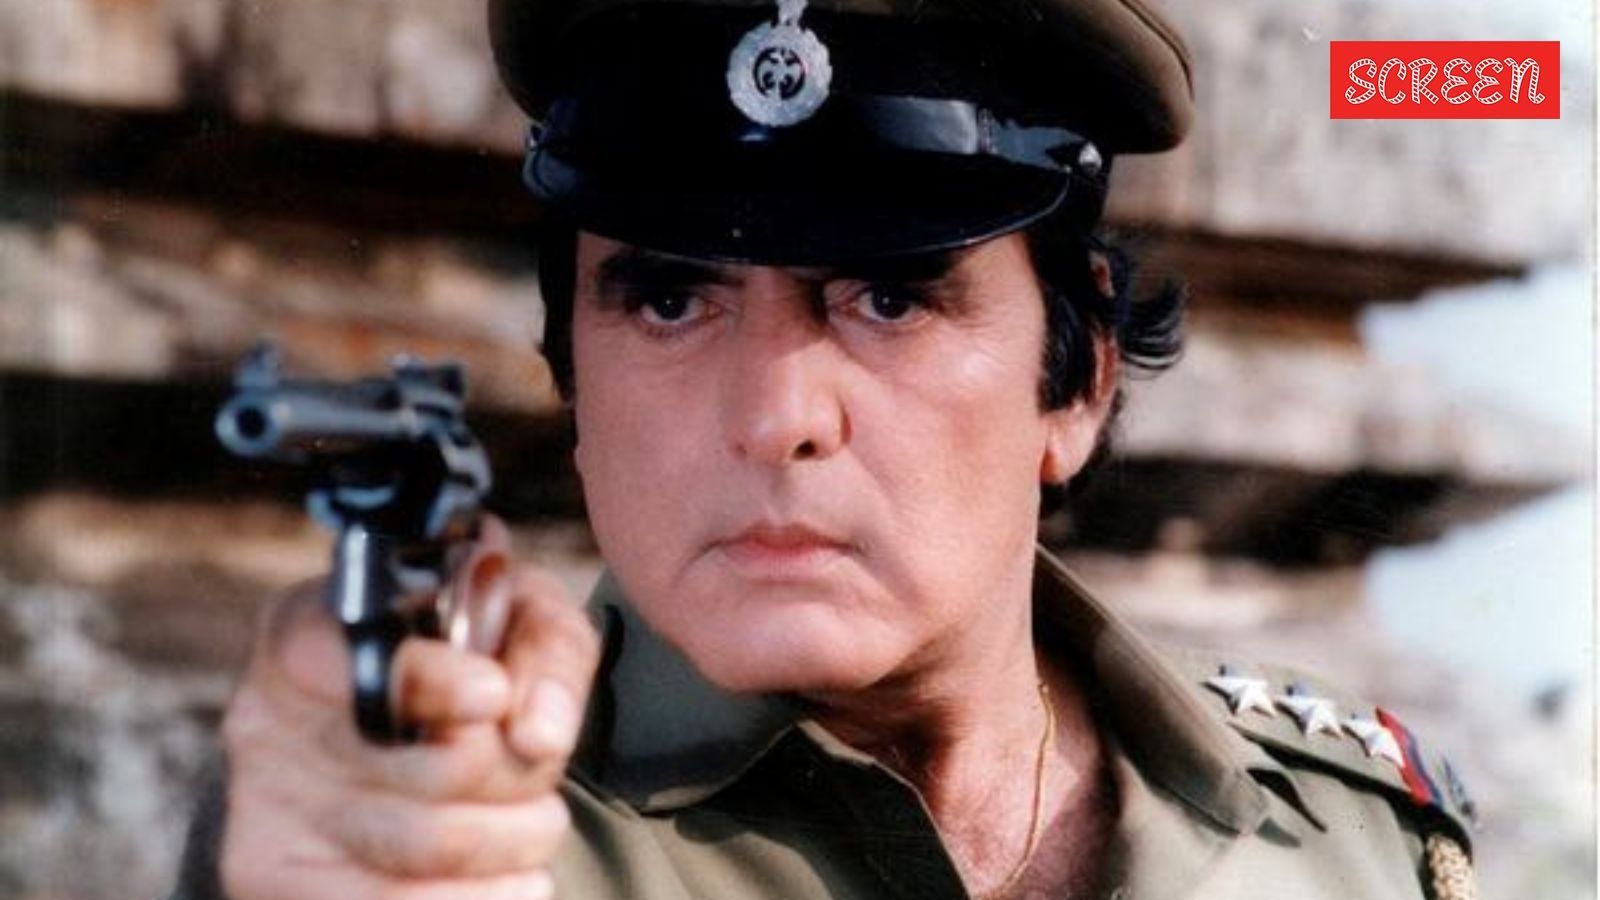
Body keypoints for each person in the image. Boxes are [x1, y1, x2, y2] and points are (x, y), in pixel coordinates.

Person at [173, 0, 1480, 898]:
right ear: (575, 385)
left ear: (1075, 380)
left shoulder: (1351, 832)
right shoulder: (447, 830)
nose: (775, 414)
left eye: (890, 298)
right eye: (670, 301)